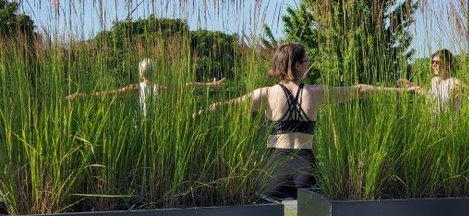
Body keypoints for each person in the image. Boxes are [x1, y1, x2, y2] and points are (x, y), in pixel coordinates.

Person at [201, 43, 421, 199]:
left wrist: (198, 114)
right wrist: (401, 91)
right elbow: (360, 90)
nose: (308, 64)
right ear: (296, 65)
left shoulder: (265, 93)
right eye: (305, 61)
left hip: (274, 166)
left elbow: (226, 106)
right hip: (306, 165)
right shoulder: (315, 93)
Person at [67, 58, 226, 116]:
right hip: (157, 127)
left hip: (142, 128)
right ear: (155, 72)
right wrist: (211, 85)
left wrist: (81, 95)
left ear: (140, 71)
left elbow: (107, 94)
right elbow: (188, 86)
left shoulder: (135, 88)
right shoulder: (161, 88)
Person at [397, 49, 463, 113]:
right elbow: (431, 93)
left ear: (447, 64)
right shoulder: (434, 80)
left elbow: (440, 101)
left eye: (437, 62)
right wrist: (410, 84)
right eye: (432, 62)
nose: (434, 65)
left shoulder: (455, 82)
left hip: (448, 122)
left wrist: (418, 89)